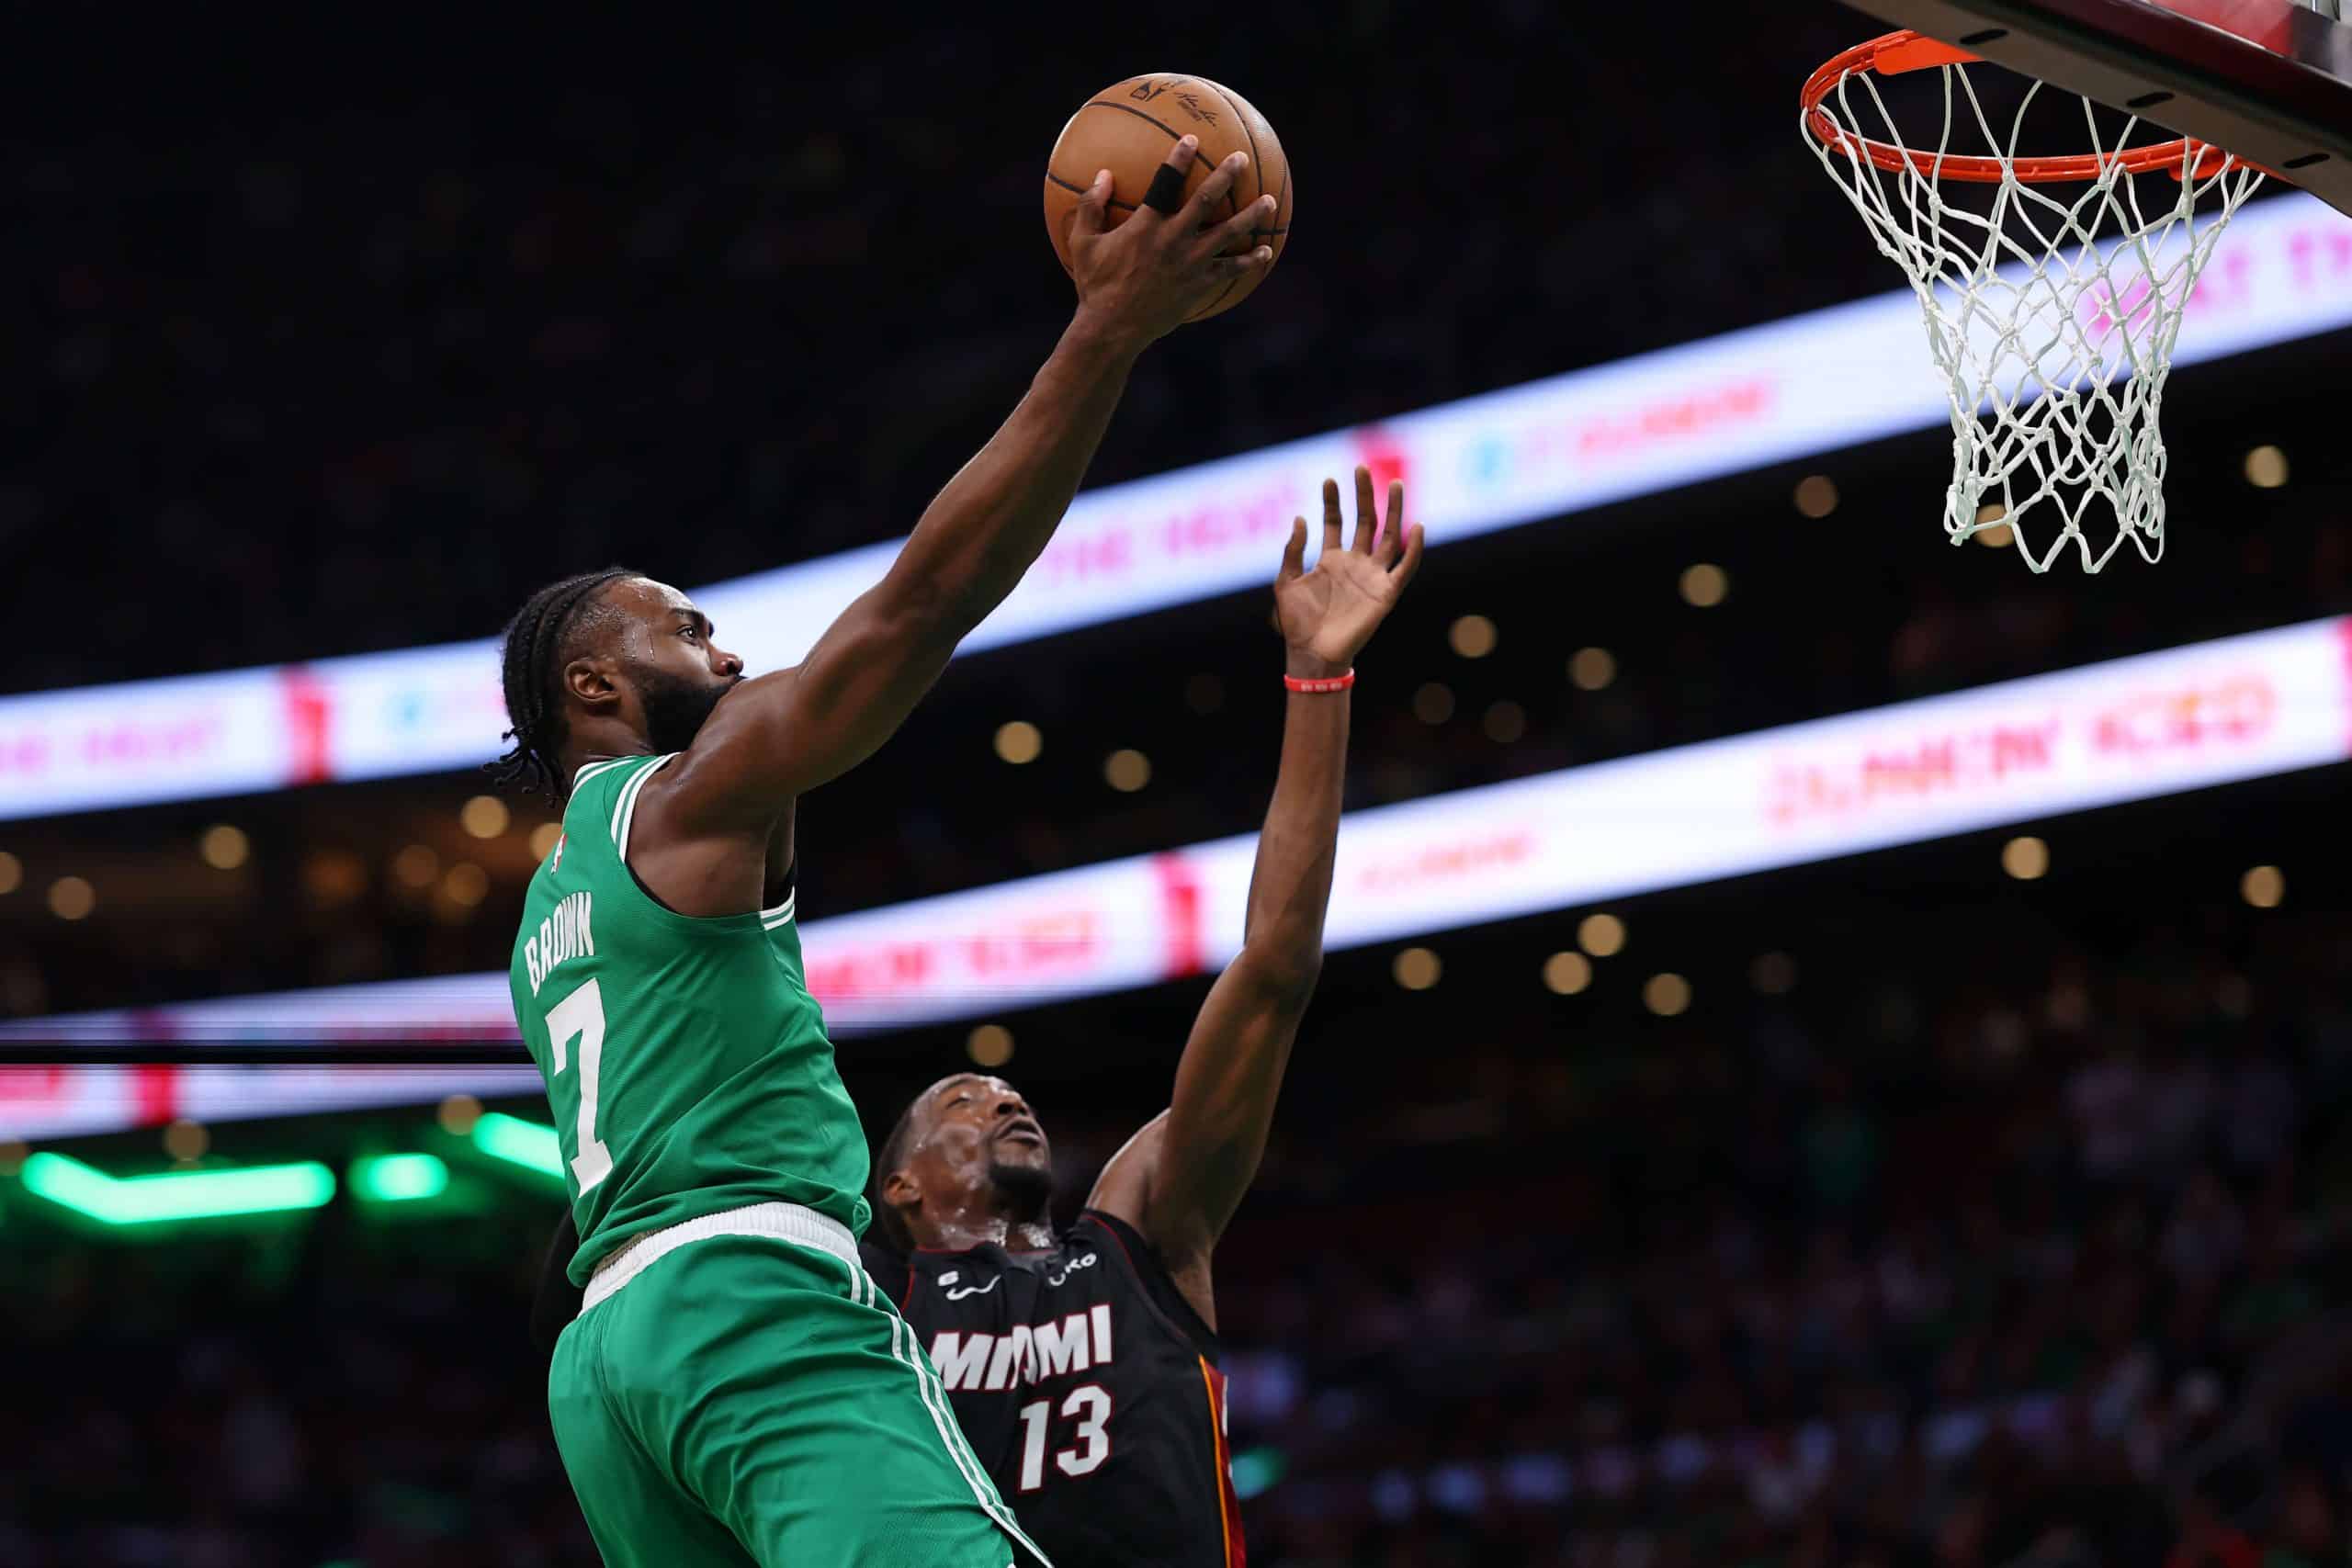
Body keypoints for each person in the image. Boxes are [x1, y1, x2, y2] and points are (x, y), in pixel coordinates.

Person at [501, 135, 1277, 1568]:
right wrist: (1110, 326)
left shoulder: (550, 904)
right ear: (594, 691)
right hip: (747, 1298)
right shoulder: (681, 795)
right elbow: (921, 604)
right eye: (685, 629)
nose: (726, 652)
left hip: (603, 1365)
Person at [862, 472, 1419, 1566]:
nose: (1003, 1096)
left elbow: (1268, 974)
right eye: (960, 1103)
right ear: (899, 1188)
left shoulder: (1140, 1228)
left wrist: (1319, 679)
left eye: (1003, 1089)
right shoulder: (872, 1300)